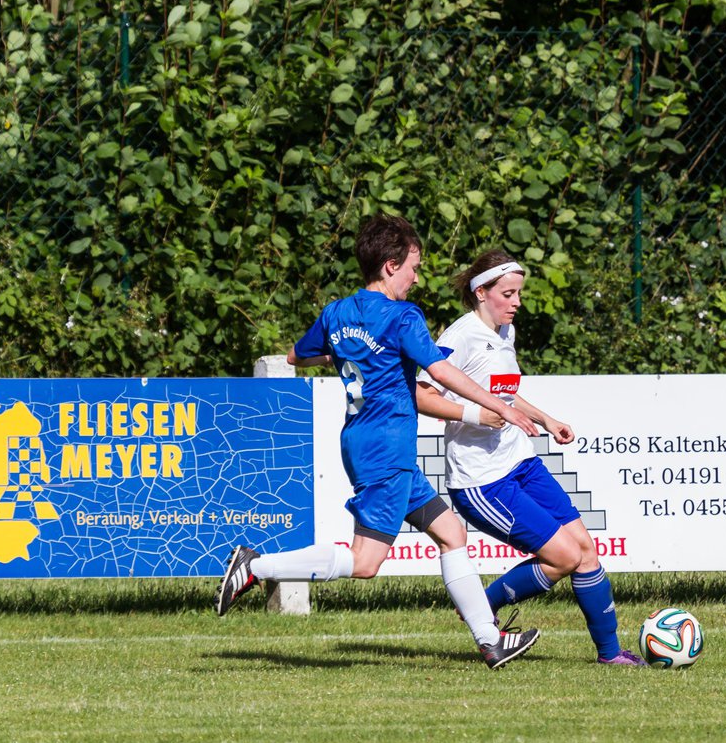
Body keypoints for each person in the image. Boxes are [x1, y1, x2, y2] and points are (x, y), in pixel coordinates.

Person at [215, 215, 540, 670]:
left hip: (367, 443)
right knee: (366, 562)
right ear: (390, 266)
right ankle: (255, 566)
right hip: (386, 448)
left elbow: (297, 355)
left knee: (451, 532)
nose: (416, 276)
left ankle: (490, 641)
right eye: (413, 266)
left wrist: (351, 352)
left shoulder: (338, 312)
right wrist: (503, 408)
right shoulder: (403, 316)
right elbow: (441, 372)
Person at [415, 249, 645, 666]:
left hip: (522, 463)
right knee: (564, 557)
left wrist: (545, 417)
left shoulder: (505, 332)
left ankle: (611, 656)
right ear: (481, 292)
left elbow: (499, 391)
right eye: (508, 293)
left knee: (585, 550)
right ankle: (481, 606)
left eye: (519, 292)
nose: (517, 302)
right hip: (482, 481)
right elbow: (423, 395)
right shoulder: (460, 337)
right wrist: (478, 414)